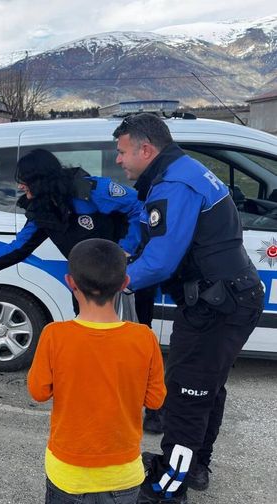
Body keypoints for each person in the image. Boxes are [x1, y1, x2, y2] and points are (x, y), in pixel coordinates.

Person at [113, 113, 264, 503]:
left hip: (216, 305)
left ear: (146, 149)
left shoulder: (174, 184)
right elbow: (156, 235)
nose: (118, 160)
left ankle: (169, 487)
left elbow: (161, 260)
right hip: (230, 296)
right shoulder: (184, 171)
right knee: (207, 388)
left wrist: (114, 280)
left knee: (187, 396)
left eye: (122, 151)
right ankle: (194, 466)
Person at [28, 238, 166, 504]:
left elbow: (38, 392)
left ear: (71, 282)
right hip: (124, 473)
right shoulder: (144, 338)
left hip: (68, 473)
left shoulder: (54, 335)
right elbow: (155, 400)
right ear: (125, 284)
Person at [0, 148, 145, 315]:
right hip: (82, 281)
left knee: (121, 334)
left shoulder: (90, 191)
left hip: (118, 278)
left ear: (41, 179)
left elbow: (139, 206)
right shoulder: (43, 210)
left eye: (25, 180)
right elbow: (19, 247)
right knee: (87, 333)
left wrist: (125, 250)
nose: (20, 185)